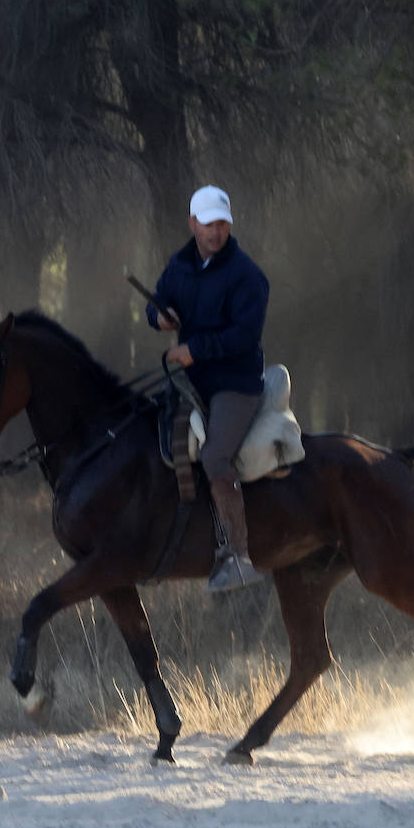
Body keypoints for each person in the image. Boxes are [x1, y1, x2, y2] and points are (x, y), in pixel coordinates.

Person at [146, 185, 270, 592]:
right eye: (208, 223)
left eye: (222, 224)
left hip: (235, 382)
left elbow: (244, 337)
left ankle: (237, 555)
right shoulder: (179, 265)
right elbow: (157, 303)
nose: (216, 232)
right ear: (192, 224)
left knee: (216, 455)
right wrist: (158, 317)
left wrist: (194, 350)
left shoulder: (248, 276)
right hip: (191, 379)